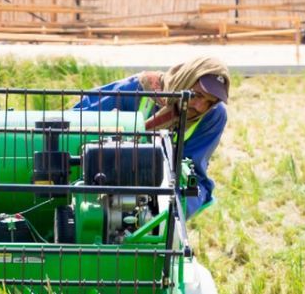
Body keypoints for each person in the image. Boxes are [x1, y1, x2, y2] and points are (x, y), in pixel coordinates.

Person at [75, 57, 230, 217]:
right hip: (105, 166)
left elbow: (192, 168)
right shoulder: (137, 88)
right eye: (196, 95)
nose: (200, 107)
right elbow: (76, 119)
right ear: (185, 80)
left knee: (172, 213)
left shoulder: (213, 116)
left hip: (169, 176)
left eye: (209, 101)